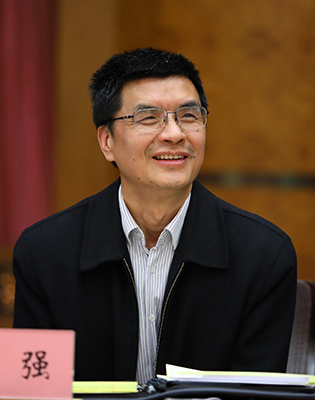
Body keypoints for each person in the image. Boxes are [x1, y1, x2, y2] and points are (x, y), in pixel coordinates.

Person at [13, 48, 297, 385]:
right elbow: (34, 388)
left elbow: (253, 392)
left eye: (189, 116)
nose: (174, 134)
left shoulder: (263, 255)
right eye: (148, 118)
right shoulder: (44, 252)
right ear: (107, 141)